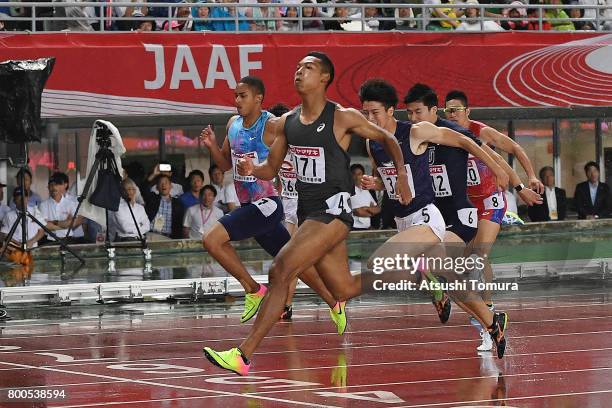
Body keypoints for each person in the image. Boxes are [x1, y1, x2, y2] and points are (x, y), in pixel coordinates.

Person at [202, 52, 411, 376]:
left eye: (308, 68)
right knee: (342, 288)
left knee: (281, 268)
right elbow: (270, 170)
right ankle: (410, 267)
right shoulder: (288, 124)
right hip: (309, 213)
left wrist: (399, 175)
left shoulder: (343, 117)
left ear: (325, 78)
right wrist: (251, 168)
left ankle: (243, 356)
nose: (299, 72)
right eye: (297, 67)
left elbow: (387, 137)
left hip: (334, 214)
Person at [362, 79, 512, 357]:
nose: (370, 119)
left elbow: (465, 141)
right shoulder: (373, 144)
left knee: (378, 264)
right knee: (454, 285)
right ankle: (494, 323)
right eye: (365, 114)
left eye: (375, 113)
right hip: (404, 221)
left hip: (427, 219)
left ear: (392, 111)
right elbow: (390, 179)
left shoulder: (417, 131)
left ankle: (434, 284)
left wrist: (497, 169)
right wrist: (377, 183)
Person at [199, 75, 344, 330]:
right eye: (235, 96)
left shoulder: (272, 125)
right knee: (291, 262)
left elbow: (305, 135)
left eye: (242, 96)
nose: (237, 101)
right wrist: (211, 146)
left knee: (211, 240)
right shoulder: (233, 124)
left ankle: (253, 289)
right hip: (249, 207)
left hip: (267, 203)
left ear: (258, 99)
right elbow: (224, 164)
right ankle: (334, 302)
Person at [443, 89, 542, 351]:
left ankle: (488, 327)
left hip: (490, 201)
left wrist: (527, 180)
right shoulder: (444, 136)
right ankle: (491, 318)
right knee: (463, 265)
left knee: (477, 259)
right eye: (447, 110)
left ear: (468, 111)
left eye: (456, 110)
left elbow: (510, 151)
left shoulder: (480, 132)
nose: (451, 115)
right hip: (467, 206)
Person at [269, 102, 299, 320]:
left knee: (289, 258)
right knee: (288, 259)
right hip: (286, 204)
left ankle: (285, 304)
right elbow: (277, 180)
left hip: (301, 206)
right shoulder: (275, 151)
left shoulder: (299, 147)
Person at [1, 188, 46, 265]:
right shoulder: (9, 215)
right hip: (16, 252)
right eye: (19, 198)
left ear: (28, 198)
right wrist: (16, 243)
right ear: (14, 200)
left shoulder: (35, 211)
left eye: (24, 197)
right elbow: (3, 234)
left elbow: (42, 231)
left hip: (33, 250)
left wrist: (31, 242)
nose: (22, 200)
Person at [38, 172, 86, 244]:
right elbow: (46, 226)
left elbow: (74, 222)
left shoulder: (71, 203)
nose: (53, 188)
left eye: (56, 185)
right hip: (50, 240)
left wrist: (54, 222)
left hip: (69, 239)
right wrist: (66, 225)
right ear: (48, 187)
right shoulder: (43, 205)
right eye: (51, 185)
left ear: (61, 186)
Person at [144, 174, 185, 239]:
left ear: (171, 186)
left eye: (166, 182)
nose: (163, 185)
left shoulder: (178, 204)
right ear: (157, 187)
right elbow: (144, 188)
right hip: (151, 235)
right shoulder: (152, 199)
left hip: (169, 238)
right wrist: (153, 174)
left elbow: (179, 224)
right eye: (161, 183)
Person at [350, 163, 379, 230]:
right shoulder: (348, 190)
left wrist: (365, 208)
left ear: (363, 175)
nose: (357, 177)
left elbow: (377, 209)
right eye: (354, 174)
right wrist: (370, 210)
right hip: (353, 228)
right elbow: (358, 212)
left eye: (359, 174)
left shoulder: (366, 189)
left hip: (367, 227)